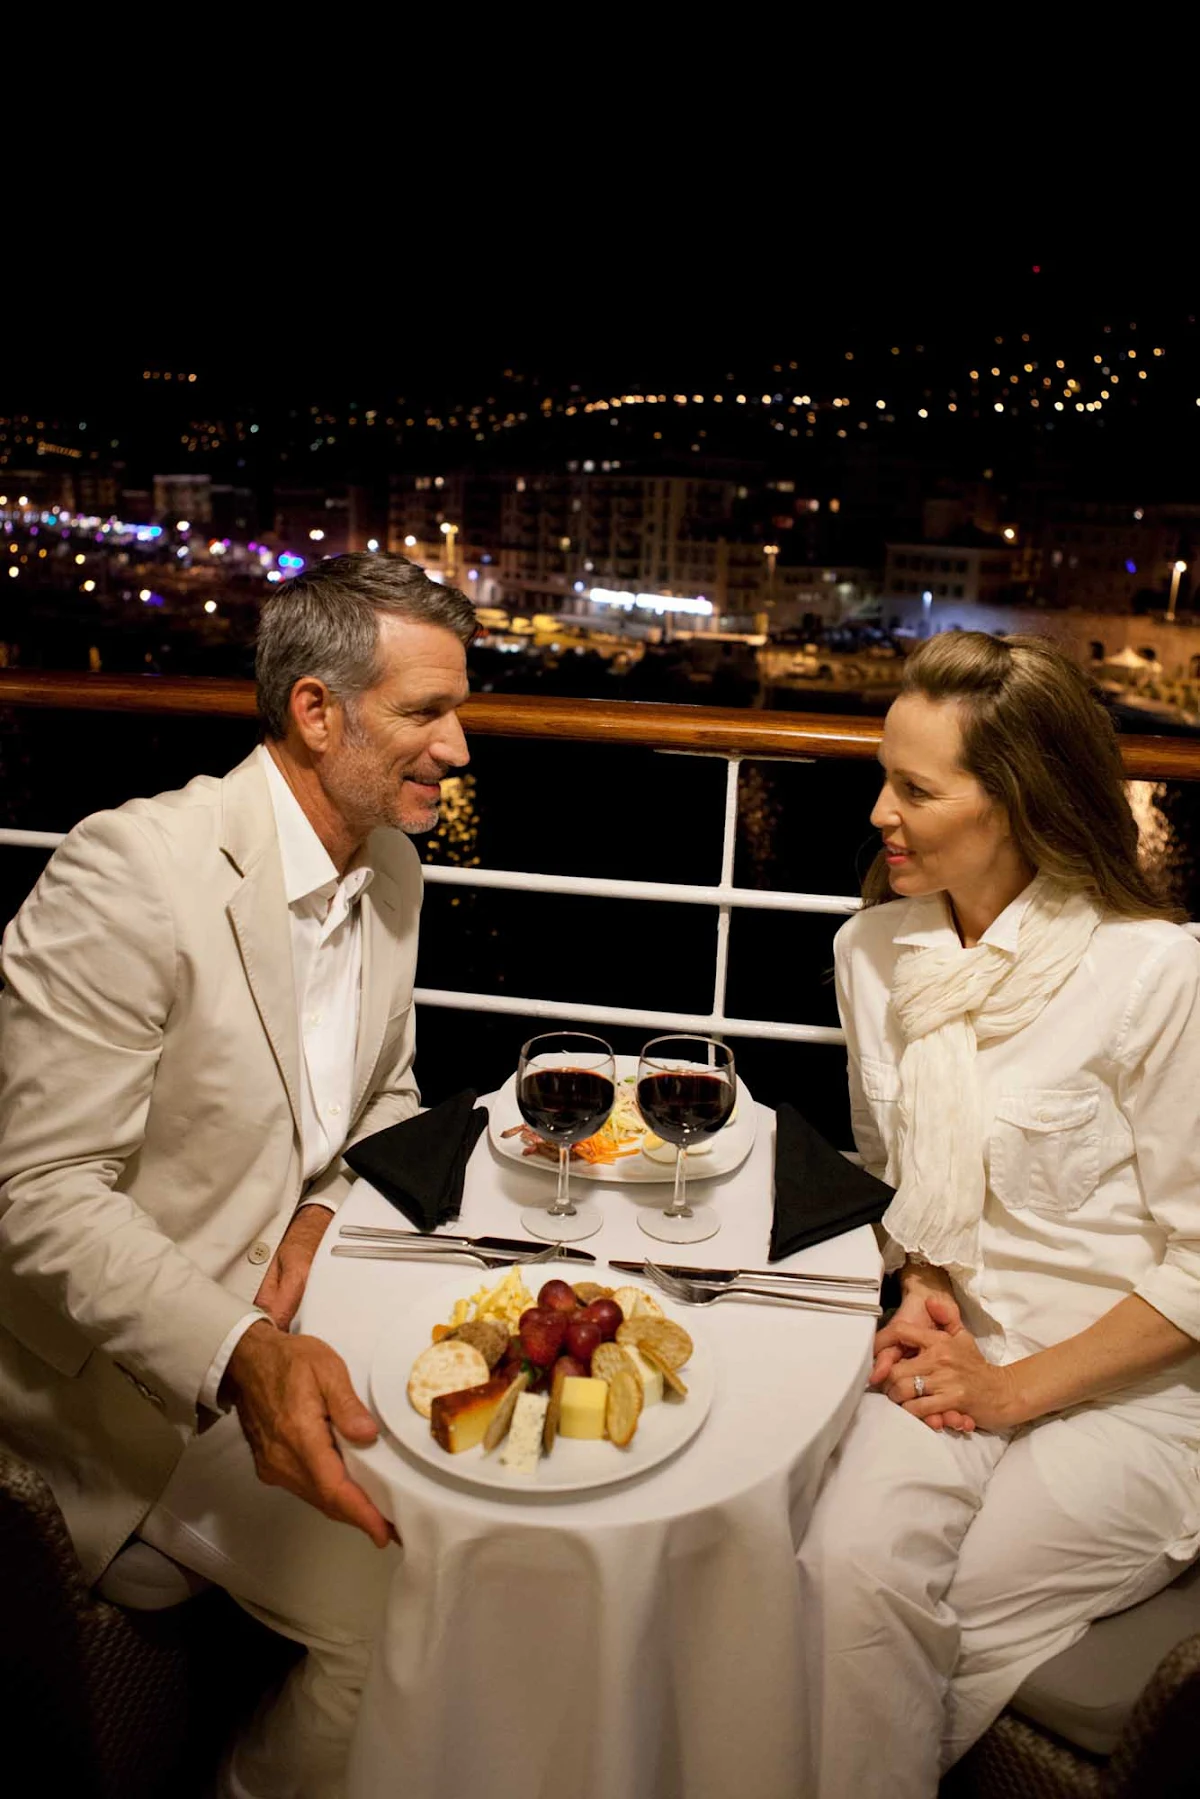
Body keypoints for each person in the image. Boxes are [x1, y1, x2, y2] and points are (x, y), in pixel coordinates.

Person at [0, 552, 474, 1799]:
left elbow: (385, 1096)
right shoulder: (131, 873)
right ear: (317, 711)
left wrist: (321, 1207)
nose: (459, 747)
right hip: (138, 1398)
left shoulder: (391, 863)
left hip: (313, 1312)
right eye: (427, 712)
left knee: (505, 1496)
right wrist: (240, 1349)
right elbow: (36, 1193)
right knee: (421, 1610)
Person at [796, 632, 1200, 1798]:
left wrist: (1017, 1389)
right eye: (884, 777)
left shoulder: (1154, 974)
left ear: (1021, 799)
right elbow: (901, 1179)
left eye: (916, 789)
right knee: (838, 1570)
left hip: (1136, 1397)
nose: (879, 811)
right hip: (958, 1356)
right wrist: (922, 1288)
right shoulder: (874, 953)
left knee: (923, 1615)